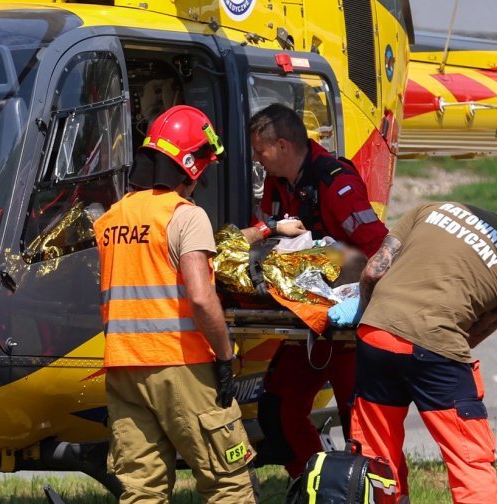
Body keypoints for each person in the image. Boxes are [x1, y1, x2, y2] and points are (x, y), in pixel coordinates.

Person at [331, 201, 497, 503]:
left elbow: (372, 271)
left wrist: (370, 319)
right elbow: (480, 329)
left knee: (376, 450)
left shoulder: (433, 208)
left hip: (376, 334)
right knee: (468, 457)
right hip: (437, 346)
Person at [94, 106, 257, 503]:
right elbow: (201, 298)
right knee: (227, 480)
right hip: (180, 363)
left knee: (141, 489)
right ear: (191, 164)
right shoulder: (185, 216)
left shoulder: (112, 219)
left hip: (123, 367)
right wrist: (224, 355)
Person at [241, 103, 389, 478]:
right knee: (277, 411)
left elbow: (380, 246)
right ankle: (312, 488)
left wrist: (363, 306)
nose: (257, 159)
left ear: (284, 146)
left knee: (358, 421)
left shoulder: (334, 182)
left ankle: (376, 493)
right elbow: (267, 236)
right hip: (308, 320)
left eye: (261, 150)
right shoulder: (278, 185)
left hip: (348, 325)